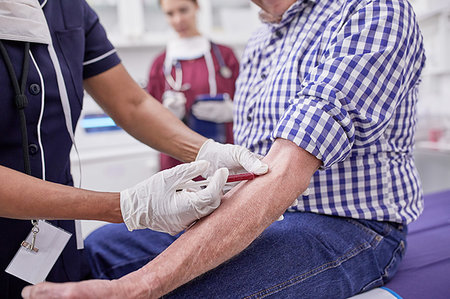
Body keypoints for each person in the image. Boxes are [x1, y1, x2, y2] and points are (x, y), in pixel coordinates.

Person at [22, 0, 426, 298]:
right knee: (99, 251)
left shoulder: (369, 11)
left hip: (345, 221)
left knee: (175, 291)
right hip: (270, 209)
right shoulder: (265, 34)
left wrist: (139, 286)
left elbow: (287, 169)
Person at [0, 0, 268, 298]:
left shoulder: (69, 8)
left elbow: (134, 104)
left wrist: (206, 151)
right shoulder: (162, 61)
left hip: (54, 239)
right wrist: (126, 206)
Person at [148, 0, 240, 171]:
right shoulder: (160, 65)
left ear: (197, 7)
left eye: (183, 10)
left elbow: (249, 105)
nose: (178, 20)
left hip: (222, 155)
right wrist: (165, 116)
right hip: (176, 162)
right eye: (170, 13)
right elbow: (147, 119)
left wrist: (233, 111)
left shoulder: (224, 56)